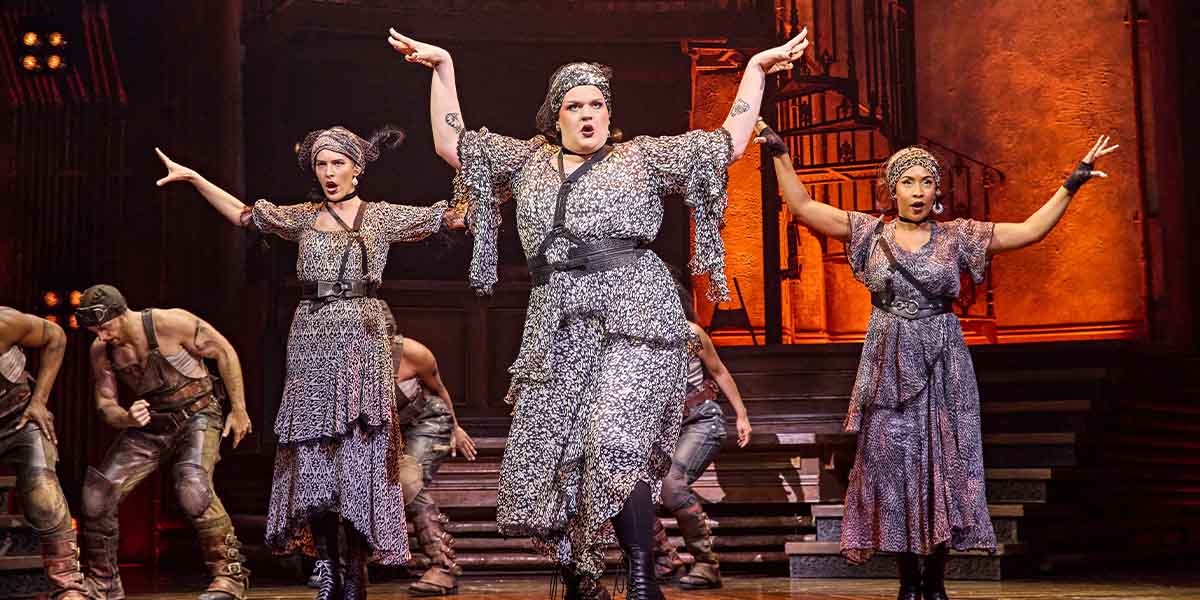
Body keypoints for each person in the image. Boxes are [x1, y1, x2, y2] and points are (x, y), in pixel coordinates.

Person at [387, 26, 808, 600]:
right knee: (562, 452)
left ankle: (640, 575)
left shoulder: (642, 158)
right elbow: (451, 144)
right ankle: (583, 573)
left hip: (635, 309)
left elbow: (727, 143)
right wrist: (443, 67)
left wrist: (754, 70)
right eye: (575, 106)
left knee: (613, 440)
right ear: (554, 116)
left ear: (611, 114)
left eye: (598, 105)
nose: (588, 114)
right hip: (556, 317)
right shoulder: (527, 161)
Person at [755, 119, 1118, 600]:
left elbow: (1030, 230)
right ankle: (908, 579)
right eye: (908, 181)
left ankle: (936, 579)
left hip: (944, 361)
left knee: (944, 465)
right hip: (887, 360)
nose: (918, 191)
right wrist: (780, 152)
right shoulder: (867, 232)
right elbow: (800, 206)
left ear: (937, 191)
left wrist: (1073, 181)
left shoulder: (958, 236)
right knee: (894, 465)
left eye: (927, 181)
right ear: (892, 190)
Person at [155, 126, 461, 600]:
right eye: (321, 164)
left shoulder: (381, 217)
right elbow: (243, 216)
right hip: (311, 337)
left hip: (361, 332)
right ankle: (328, 569)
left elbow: (452, 219)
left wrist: (485, 176)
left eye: (338, 163)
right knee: (314, 458)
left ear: (358, 168)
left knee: (360, 455)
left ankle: (355, 572)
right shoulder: (302, 218)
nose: (329, 172)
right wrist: (196, 178)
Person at [76, 284, 252, 600]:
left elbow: (223, 351)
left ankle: (229, 576)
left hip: (198, 415)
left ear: (121, 312)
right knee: (96, 493)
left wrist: (238, 410)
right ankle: (104, 583)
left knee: (192, 486)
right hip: (153, 424)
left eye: (104, 328)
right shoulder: (101, 350)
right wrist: (127, 418)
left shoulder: (169, 323)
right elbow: (105, 404)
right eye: (95, 331)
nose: (102, 336)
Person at [307, 309, 478, 597]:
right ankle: (350, 565)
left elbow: (440, 390)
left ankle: (443, 566)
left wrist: (456, 428)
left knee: (406, 481)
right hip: (386, 428)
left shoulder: (415, 354)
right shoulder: (349, 361)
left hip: (427, 421)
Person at [650, 284, 752, 590]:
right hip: (665, 430)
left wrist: (742, 415)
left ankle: (707, 564)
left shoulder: (689, 333)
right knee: (631, 486)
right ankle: (665, 557)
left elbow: (719, 371)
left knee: (671, 482)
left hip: (700, 422)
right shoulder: (636, 341)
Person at [0, 307, 87, 599]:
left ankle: (69, 586)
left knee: (44, 497)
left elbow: (56, 337)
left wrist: (40, 400)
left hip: (19, 418)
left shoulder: (4, 324)